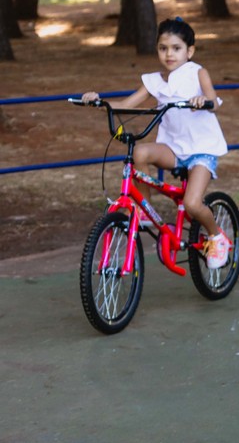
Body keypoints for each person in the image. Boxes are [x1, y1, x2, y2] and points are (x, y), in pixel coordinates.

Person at [81, 17, 231, 270]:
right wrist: (98, 101)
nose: (169, 54)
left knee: (193, 204)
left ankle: (216, 236)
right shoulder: (155, 80)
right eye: (163, 48)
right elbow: (126, 105)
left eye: (176, 48)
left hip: (201, 150)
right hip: (172, 148)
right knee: (139, 151)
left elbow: (214, 101)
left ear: (189, 51)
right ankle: (142, 209)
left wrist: (201, 100)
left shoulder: (197, 72)